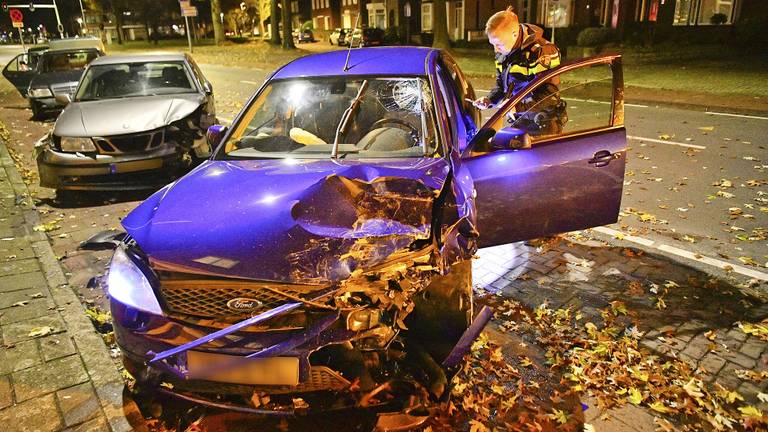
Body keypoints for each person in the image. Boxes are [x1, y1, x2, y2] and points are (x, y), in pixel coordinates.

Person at [473, 7, 561, 110]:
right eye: (492, 44)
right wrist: (490, 100)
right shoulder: (503, 51)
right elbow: (502, 86)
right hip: (517, 117)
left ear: (514, 34)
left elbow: (550, 96)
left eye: (499, 44)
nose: (496, 49)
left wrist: (519, 107)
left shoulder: (542, 52)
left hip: (543, 120)